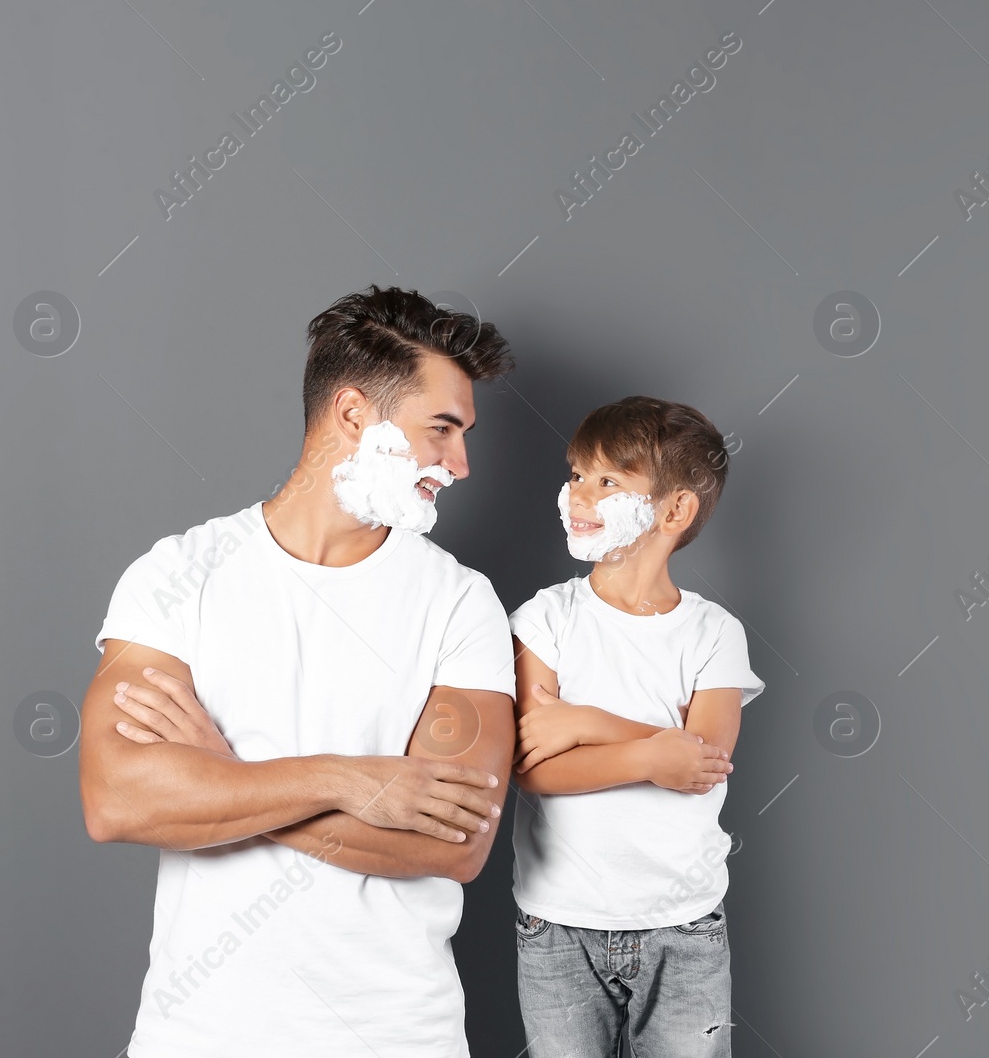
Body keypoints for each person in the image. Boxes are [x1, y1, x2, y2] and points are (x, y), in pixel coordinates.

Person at [78, 286, 517, 1057]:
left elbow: (457, 842)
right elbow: (117, 799)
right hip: (200, 1034)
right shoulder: (178, 575)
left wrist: (221, 777)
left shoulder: (461, 603)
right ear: (354, 415)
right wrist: (346, 778)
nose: (461, 463)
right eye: (441, 430)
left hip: (399, 1037)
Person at [507, 396, 765, 1058]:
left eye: (609, 481)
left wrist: (588, 721)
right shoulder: (544, 620)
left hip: (684, 929)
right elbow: (535, 765)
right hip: (558, 923)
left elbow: (700, 764)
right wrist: (653, 751)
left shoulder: (713, 634)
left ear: (674, 510)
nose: (580, 495)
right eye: (575, 474)